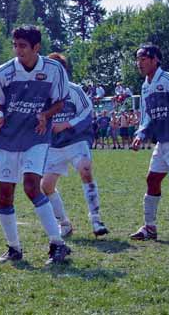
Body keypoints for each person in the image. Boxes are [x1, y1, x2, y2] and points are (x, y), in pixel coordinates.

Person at [0, 25, 71, 265]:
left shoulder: (54, 69)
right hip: (8, 137)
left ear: (37, 47)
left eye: (23, 46)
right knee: (5, 194)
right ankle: (14, 248)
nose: (18, 51)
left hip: (36, 135)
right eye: (15, 45)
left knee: (31, 186)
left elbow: (60, 102)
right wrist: (0, 116)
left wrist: (45, 115)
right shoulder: (3, 72)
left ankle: (57, 244)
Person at [41, 53, 109, 238]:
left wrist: (66, 125)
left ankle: (96, 219)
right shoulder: (43, 94)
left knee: (85, 170)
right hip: (54, 146)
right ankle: (64, 223)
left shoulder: (74, 90)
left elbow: (88, 111)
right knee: (46, 186)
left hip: (75, 140)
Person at [129, 43, 169, 245]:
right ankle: (150, 228)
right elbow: (147, 114)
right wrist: (141, 133)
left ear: (155, 59)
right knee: (152, 180)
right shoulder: (146, 86)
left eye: (143, 58)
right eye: (137, 59)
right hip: (162, 142)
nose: (139, 63)